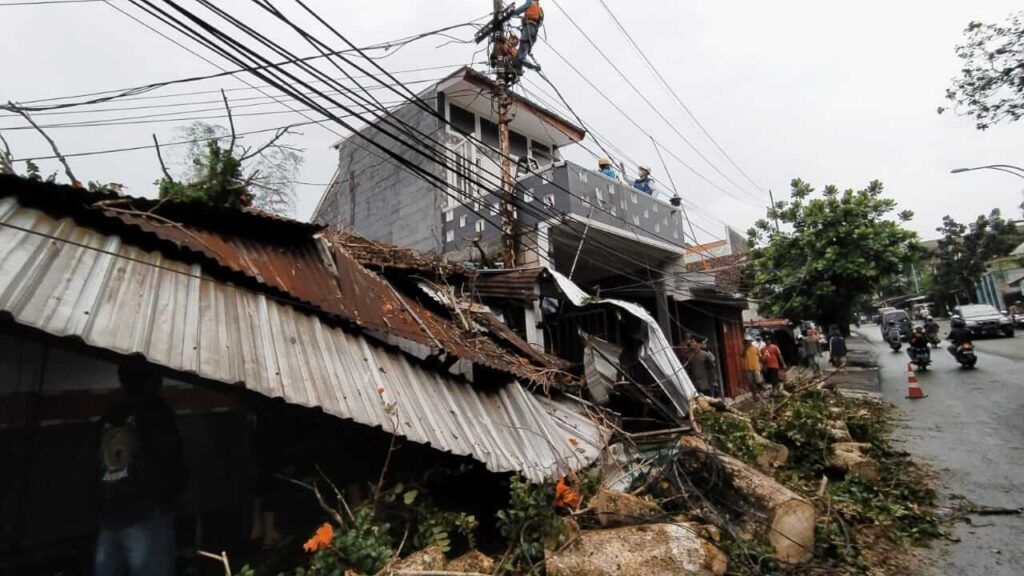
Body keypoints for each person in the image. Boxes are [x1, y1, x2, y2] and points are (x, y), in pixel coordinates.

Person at [95, 361, 187, 576]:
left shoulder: (110, 411)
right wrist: (174, 496)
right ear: (152, 381)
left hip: (109, 510)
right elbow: (170, 459)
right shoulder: (156, 410)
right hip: (145, 510)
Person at [512, 0, 543, 71]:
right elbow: (540, 23)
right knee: (527, 44)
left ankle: (520, 59)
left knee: (524, 42)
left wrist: (511, 14)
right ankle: (518, 64)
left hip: (529, 26)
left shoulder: (530, 2)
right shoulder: (539, 9)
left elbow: (522, 8)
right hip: (535, 30)